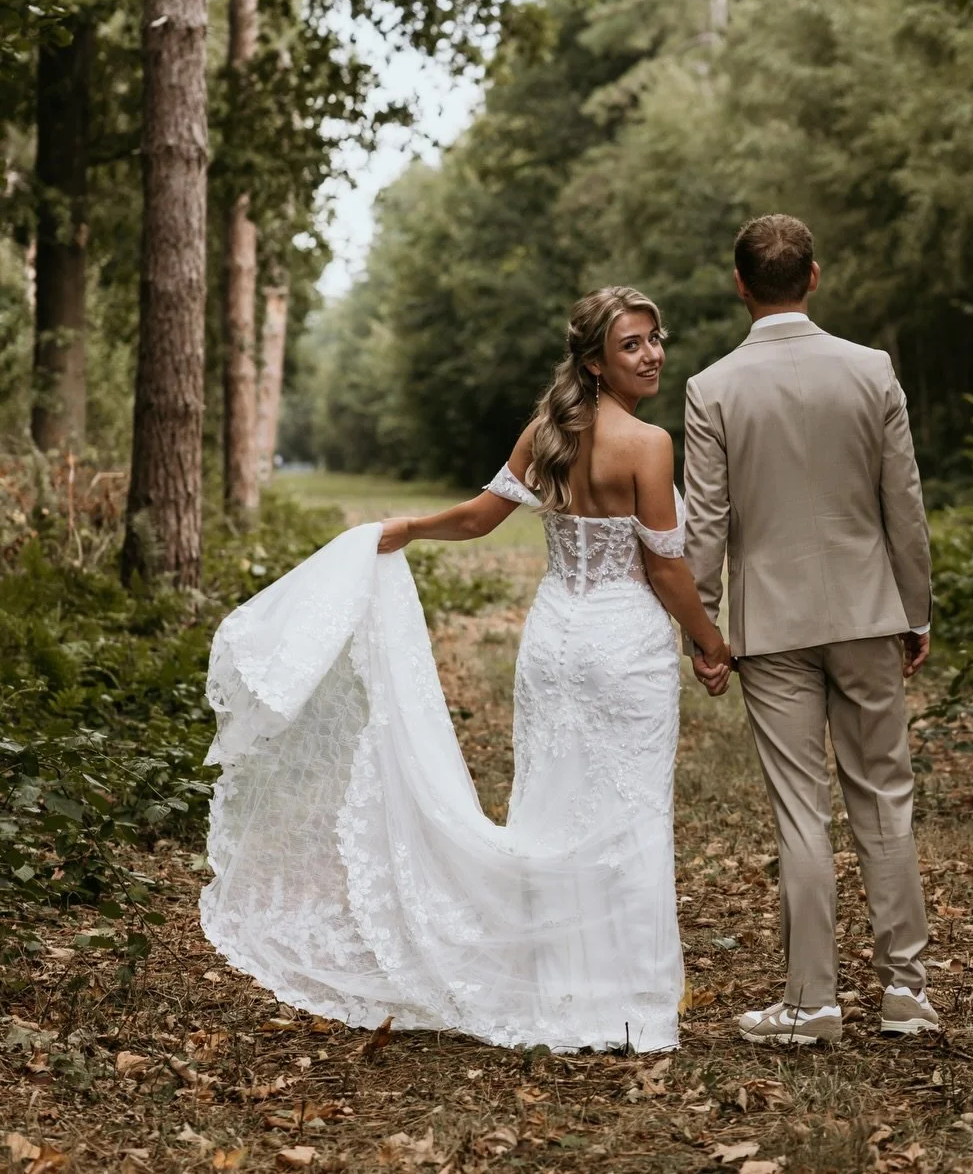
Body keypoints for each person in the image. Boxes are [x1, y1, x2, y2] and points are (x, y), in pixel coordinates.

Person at [201, 286, 730, 1054]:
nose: (652, 355)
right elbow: (667, 570)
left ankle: (555, 984)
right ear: (594, 360)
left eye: (656, 339)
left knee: (553, 804)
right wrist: (710, 643)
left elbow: (481, 517)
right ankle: (624, 1002)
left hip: (553, 640)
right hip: (621, 645)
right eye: (632, 345)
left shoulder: (548, 432)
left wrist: (409, 528)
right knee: (628, 812)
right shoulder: (648, 446)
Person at [684, 214, 937, 1045]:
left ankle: (812, 1003)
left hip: (773, 627)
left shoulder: (712, 388)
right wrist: (916, 607)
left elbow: (708, 524)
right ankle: (905, 991)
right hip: (868, 611)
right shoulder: (872, 371)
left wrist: (705, 627)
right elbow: (904, 503)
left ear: (740, 284)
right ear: (815, 276)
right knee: (884, 795)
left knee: (802, 811)